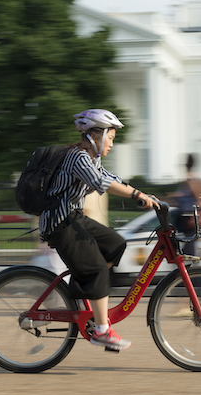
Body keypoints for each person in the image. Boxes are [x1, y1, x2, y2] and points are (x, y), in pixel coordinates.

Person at [39, 109, 159, 351]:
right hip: (60, 223)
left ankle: (88, 289)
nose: (112, 144)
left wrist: (142, 195)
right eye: (111, 138)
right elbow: (100, 183)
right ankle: (102, 331)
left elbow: (109, 177)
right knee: (96, 269)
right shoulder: (78, 157)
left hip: (74, 218)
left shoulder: (92, 159)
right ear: (97, 135)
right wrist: (137, 194)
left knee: (115, 243)